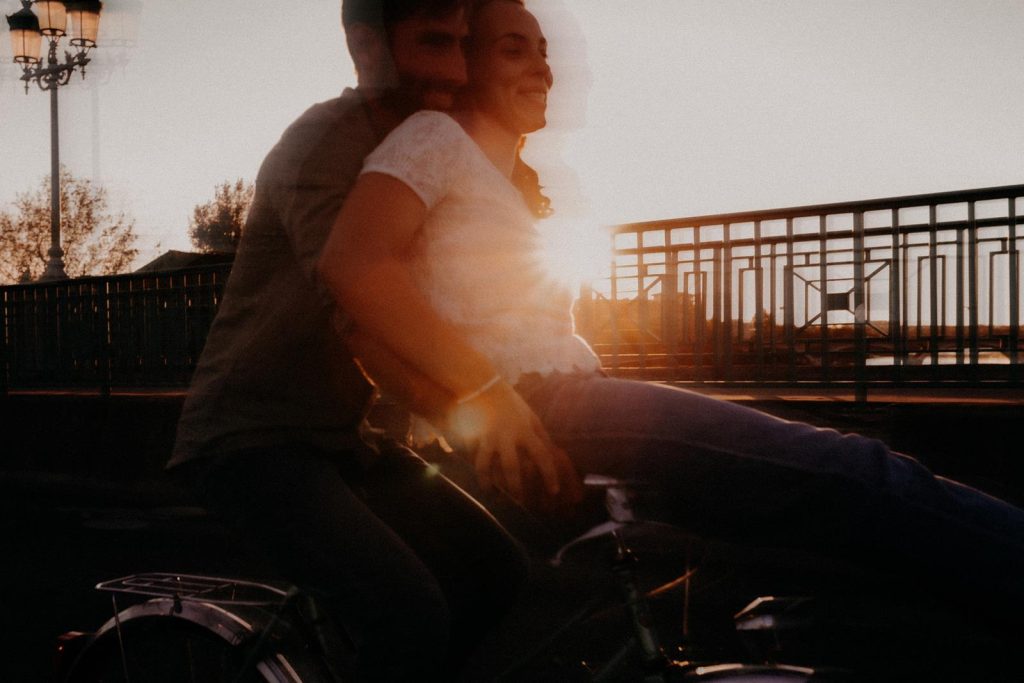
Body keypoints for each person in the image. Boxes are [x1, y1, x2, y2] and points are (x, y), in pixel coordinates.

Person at [319, 0, 1024, 617]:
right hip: (548, 404)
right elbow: (353, 264)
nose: (542, 66)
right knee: (856, 474)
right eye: (513, 48)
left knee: (804, 532)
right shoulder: (435, 139)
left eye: (544, 51)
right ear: (464, 62)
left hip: (564, 400)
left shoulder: (508, 184)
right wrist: (481, 397)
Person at [168, 2, 529, 680]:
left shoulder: (424, 143)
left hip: (339, 438)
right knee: (408, 614)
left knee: (495, 571)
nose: (455, 70)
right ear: (366, 47)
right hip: (251, 439)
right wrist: (482, 413)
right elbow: (356, 311)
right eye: (432, 42)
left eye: (461, 45)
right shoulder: (326, 143)